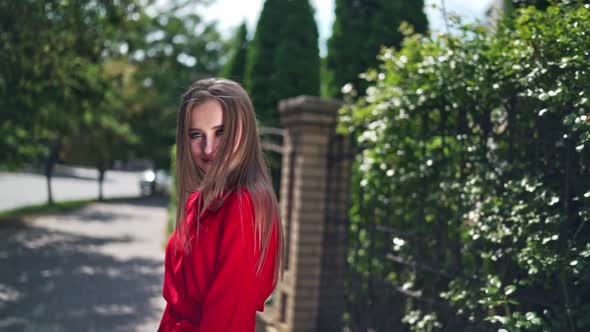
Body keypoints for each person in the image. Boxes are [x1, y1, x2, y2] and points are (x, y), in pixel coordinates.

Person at [158, 78, 283, 332]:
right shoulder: (200, 200)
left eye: (221, 132)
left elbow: (227, 319)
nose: (209, 148)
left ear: (245, 131)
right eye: (196, 135)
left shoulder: (245, 206)